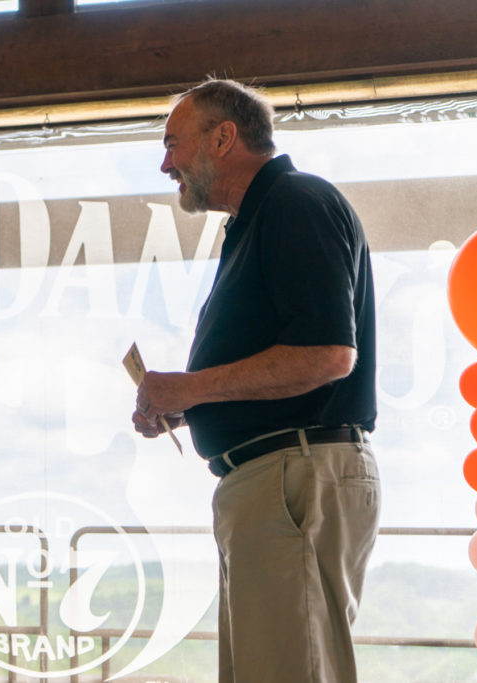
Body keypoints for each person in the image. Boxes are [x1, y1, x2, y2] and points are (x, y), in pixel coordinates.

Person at [132, 79, 380, 683]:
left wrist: (188, 389)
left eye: (173, 144)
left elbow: (326, 356)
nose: (165, 164)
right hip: (276, 479)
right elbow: (293, 363)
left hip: (292, 480)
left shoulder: (295, 203)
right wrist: (189, 407)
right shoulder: (260, 220)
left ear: (224, 137)